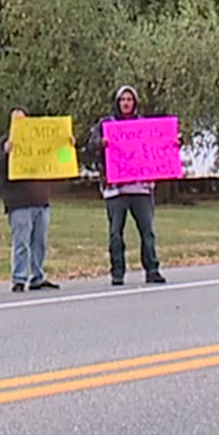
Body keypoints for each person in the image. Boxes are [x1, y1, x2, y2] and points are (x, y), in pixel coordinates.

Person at [91, 85, 166, 286]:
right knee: (116, 232)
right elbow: (91, 144)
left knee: (147, 231)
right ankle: (117, 271)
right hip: (116, 189)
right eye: (123, 99)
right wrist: (101, 143)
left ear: (134, 103)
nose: (126, 103)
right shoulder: (106, 124)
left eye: (129, 99)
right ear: (118, 102)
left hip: (141, 187)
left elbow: (160, 144)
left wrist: (174, 143)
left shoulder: (143, 125)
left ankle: (152, 269)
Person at [0, 107, 61, 293]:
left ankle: (38, 276)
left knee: (40, 242)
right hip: (19, 201)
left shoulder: (38, 139)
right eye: (15, 120)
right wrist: (6, 152)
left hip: (41, 199)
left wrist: (67, 145)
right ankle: (19, 278)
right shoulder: (4, 142)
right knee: (21, 242)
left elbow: (57, 157)